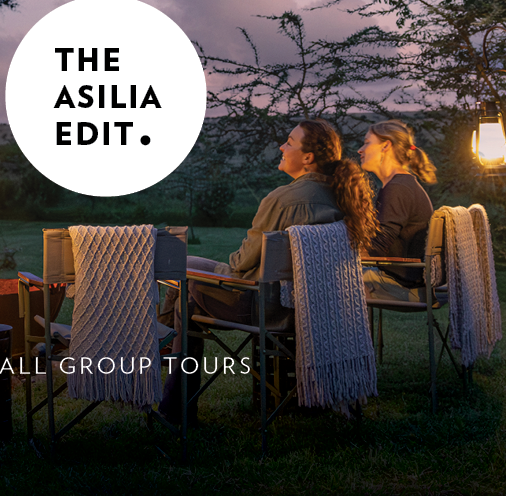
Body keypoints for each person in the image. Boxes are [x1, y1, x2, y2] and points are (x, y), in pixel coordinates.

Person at [159, 118, 378, 423]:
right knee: (182, 267)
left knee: (184, 289)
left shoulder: (283, 200)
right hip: (314, 307)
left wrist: (223, 268)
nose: (281, 146)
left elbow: (239, 266)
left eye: (289, 141)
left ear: (308, 157)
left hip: (264, 307)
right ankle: (167, 357)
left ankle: (173, 399)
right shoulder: (344, 197)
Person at [357, 119, 436, 302]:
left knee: (329, 279)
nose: (361, 150)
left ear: (385, 145)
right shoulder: (401, 184)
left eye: (367, 143)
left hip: (403, 286)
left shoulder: (398, 188)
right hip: (405, 279)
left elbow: (377, 249)